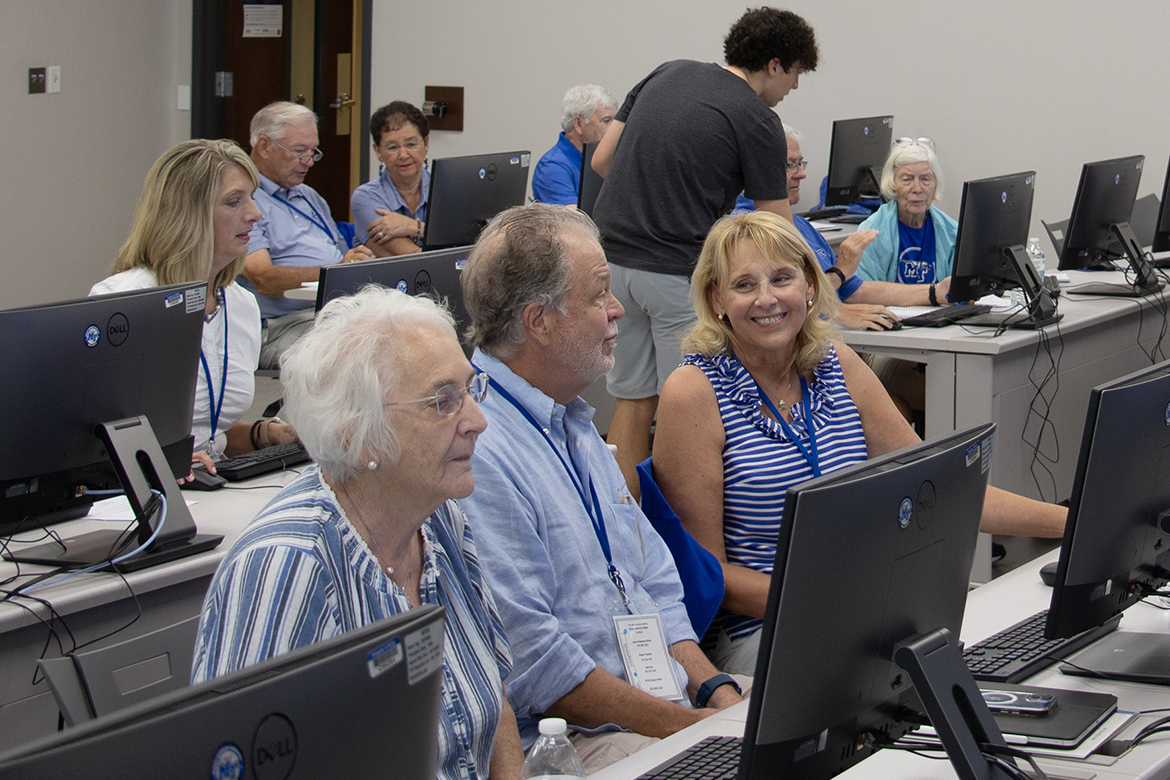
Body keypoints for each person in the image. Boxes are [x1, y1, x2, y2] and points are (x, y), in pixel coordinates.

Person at [651, 211, 1068, 675]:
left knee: (1017, 654)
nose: (766, 298)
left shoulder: (836, 363)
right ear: (717, 299)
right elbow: (708, 576)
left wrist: (1072, 524)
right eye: (744, 285)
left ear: (810, 287)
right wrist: (845, 606)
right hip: (766, 628)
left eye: (782, 278)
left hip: (870, 609)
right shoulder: (694, 391)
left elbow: (943, 487)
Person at [190, 286, 523, 780]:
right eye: (442, 402)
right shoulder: (288, 566)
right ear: (357, 432)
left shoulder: (437, 519)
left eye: (470, 391)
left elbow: (495, 706)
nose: (477, 421)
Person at [458, 204, 743, 772]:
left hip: (664, 701)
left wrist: (715, 692)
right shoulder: (480, 448)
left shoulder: (570, 417)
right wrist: (697, 730)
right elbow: (539, 667)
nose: (617, 311)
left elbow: (655, 582)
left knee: (822, 717)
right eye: (598, 296)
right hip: (576, 736)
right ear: (538, 321)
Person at [590, 7, 818, 498]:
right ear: (774, 64)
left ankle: (625, 534)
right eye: (797, 73)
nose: (795, 87)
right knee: (687, 416)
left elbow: (603, 160)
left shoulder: (666, 71)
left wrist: (657, 199)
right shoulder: (759, 120)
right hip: (674, 274)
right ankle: (683, 547)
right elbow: (777, 230)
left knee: (631, 402)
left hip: (608, 265)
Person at [90, 139, 296, 477]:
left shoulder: (240, 304)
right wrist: (162, 465)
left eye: (252, 198)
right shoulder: (124, 302)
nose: (255, 214)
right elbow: (89, 442)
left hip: (209, 483)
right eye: (234, 202)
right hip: (140, 494)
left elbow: (208, 433)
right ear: (186, 215)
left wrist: (265, 434)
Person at [239, 101, 374, 369]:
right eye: (299, 152)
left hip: (331, 313)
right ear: (264, 146)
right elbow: (263, 278)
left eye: (313, 152)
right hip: (281, 325)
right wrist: (336, 270)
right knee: (355, 356)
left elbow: (340, 254)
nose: (309, 162)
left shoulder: (309, 196)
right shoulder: (244, 200)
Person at [734, 124, 899, 331]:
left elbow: (856, 291)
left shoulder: (801, 225)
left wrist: (934, 292)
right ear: (758, 171)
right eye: (790, 165)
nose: (801, 174)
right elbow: (778, 304)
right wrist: (839, 275)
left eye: (800, 163)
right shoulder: (744, 234)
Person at [855, 137, 958, 306]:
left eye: (925, 179)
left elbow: (960, 294)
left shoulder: (952, 233)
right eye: (907, 179)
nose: (917, 189)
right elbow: (861, 293)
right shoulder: (870, 232)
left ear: (935, 184)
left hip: (942, 324)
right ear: (892, 184)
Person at [350, 101, 431, 255]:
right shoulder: (365, 197)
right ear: (378, 151)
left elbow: (470, 243)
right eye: (392, 147)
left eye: (411, 144)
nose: (403, 155)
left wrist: (414, 227)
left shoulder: (447, 188)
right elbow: (411, 257)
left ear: (426, 143)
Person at [531, 84, 618, 207]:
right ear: (578, 124)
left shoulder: (607, 157)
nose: (615, 129)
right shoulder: (552, 167)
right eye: (607, 121)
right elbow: (576, 219)